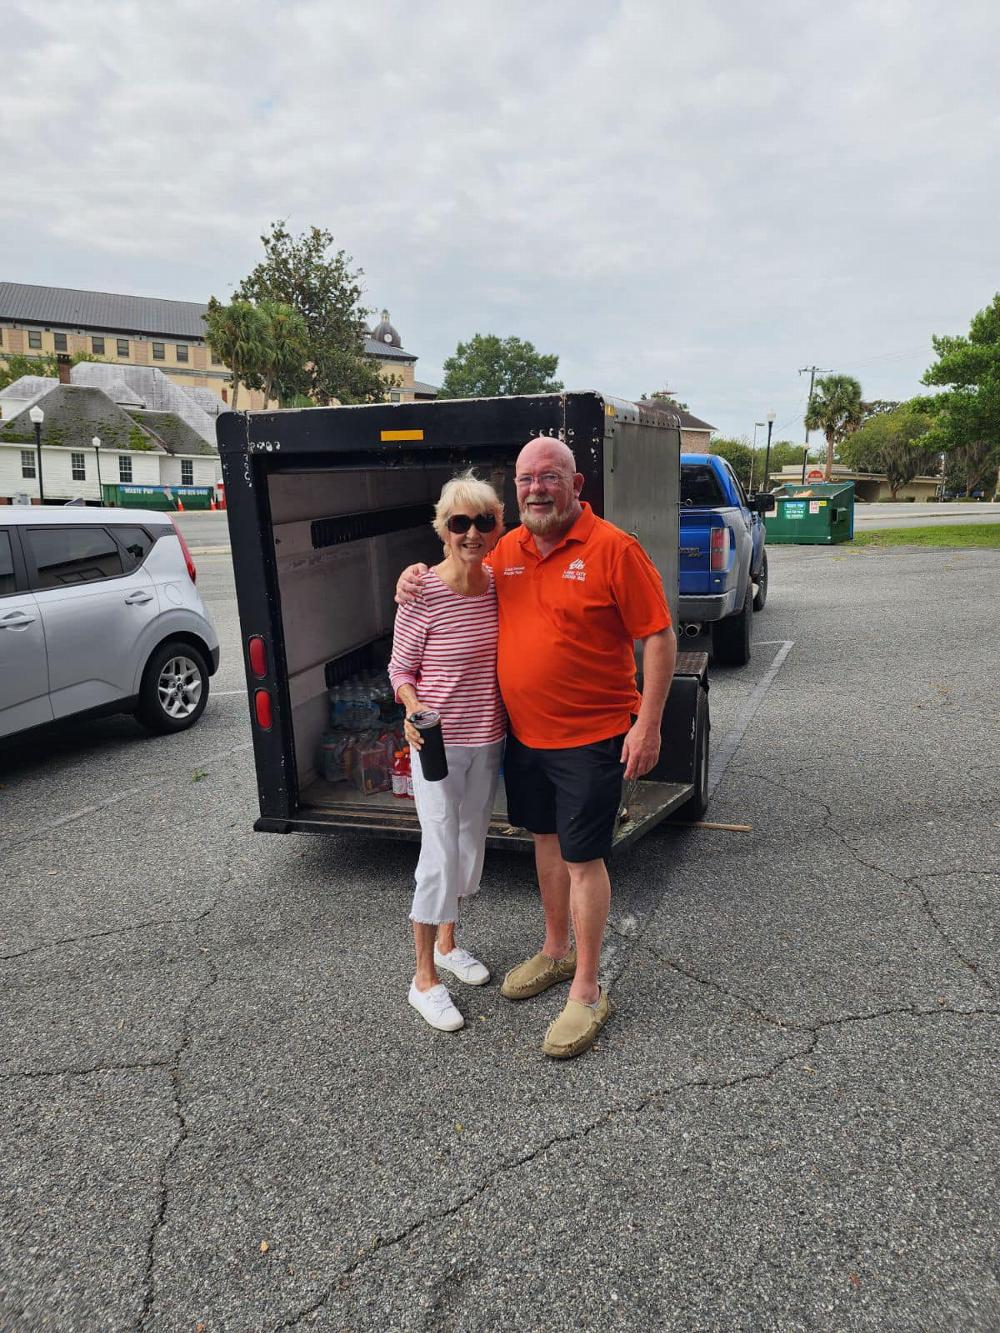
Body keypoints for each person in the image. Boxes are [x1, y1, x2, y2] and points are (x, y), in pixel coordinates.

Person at [397, 435, 676, 1059]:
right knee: (545, 846)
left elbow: (658, 638)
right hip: (523, 737)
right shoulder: (508, 552)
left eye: (551, 477)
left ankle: (585, 988)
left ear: (577, 485)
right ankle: (554, 950)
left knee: (583, 860)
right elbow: (456, 570)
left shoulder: (614, 549)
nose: (537, 489)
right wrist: (413, 574)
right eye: (526, 480)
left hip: (591, 736)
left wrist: (648, 724)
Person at [388, 470, 506, 1033]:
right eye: (460, 523)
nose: (472, 533)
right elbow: (400, 669)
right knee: (437, 851)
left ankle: (448, 945)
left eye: (484, 522)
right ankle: (422, 979)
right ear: (442, 529)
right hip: (438, 742)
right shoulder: (421, 590)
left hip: (489, 736)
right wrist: (411, 708)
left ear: (496, 527)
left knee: (468, 846)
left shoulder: (502, 584)